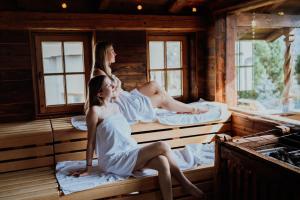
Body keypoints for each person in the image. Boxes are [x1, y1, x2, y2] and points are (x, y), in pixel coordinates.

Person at [73, 75, 205, 200]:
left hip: (128, 151)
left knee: (162, 162)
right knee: (162, 146)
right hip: (113, 159)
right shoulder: (95, 111)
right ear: (99, 93)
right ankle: (186, 184)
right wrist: (88, 167)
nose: (112, 86)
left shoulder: (116, 107)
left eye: (111, 83)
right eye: (108, 85)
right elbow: (90, 142)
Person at [90, 41, 208, 123]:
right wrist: (118, 87)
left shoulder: (106, 70)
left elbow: (115, 89)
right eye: (112, 51)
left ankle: (175, 105)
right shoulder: (99, 73)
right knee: (161, 97)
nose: (115, 53)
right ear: (104, 53)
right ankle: (192, 109)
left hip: (125, 98)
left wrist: (118, 86)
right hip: (124, 106)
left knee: (154, 84)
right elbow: (108, 96)